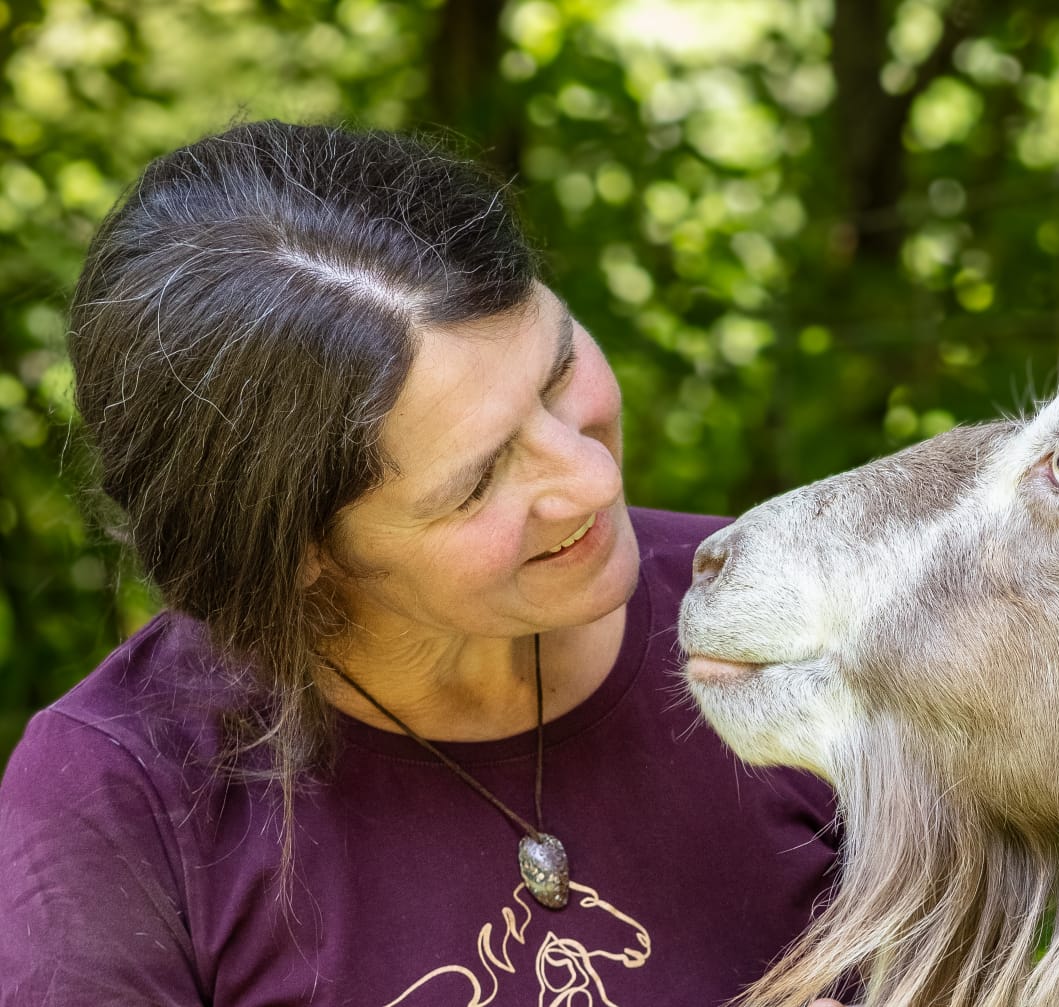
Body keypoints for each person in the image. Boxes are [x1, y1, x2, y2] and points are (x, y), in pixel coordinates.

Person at [0, 121, 846, 1005]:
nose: (593, 479)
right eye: (477, 482)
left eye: (557, 376)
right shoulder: (119, 798)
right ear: (300, 556)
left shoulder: (801, 617)